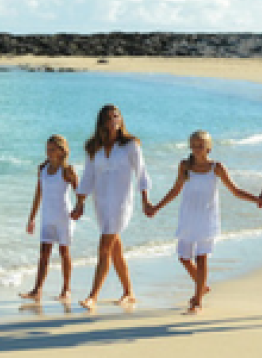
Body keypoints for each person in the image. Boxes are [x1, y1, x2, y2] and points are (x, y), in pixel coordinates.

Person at [148, 130, 260, 314]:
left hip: (206, 218)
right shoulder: (184, 166)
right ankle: (203, 286)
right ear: (190, 147)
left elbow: (236, 191)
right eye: (194, 145)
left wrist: (256, 199)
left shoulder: (216, 167)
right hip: (188, 217)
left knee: (201, 258)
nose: (197, 148)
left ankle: (197, 301)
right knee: (184, 257)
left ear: (209, 148)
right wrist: (156, 207)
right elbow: (175, 190)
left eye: (201, 145)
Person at [70, 104, 152, 309]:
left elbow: (141, 173)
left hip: (122, 201)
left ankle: (93, 296)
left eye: (117, 116)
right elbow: (88, 177)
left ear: (121, 119)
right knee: (115, 249)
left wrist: (145, 199)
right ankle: (129, 292)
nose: (114, 119)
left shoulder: (131, 145)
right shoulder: (93, 147)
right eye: (109, 117)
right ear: (102, 122)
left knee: (104, 246)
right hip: (102, 202)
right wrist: (79, 203)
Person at [20, 134, 78, 302]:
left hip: (64, 217)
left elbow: (79, 192)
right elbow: (38, 194)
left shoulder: (67, 170)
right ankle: (37, 290)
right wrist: (31, 218)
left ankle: (66, 290)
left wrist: (78, 207)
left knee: (64, 252)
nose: (49, 153)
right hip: (47, 217)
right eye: (47, 149)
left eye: (52, 149)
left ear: (61, 151)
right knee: (44, 254)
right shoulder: (43, 170)